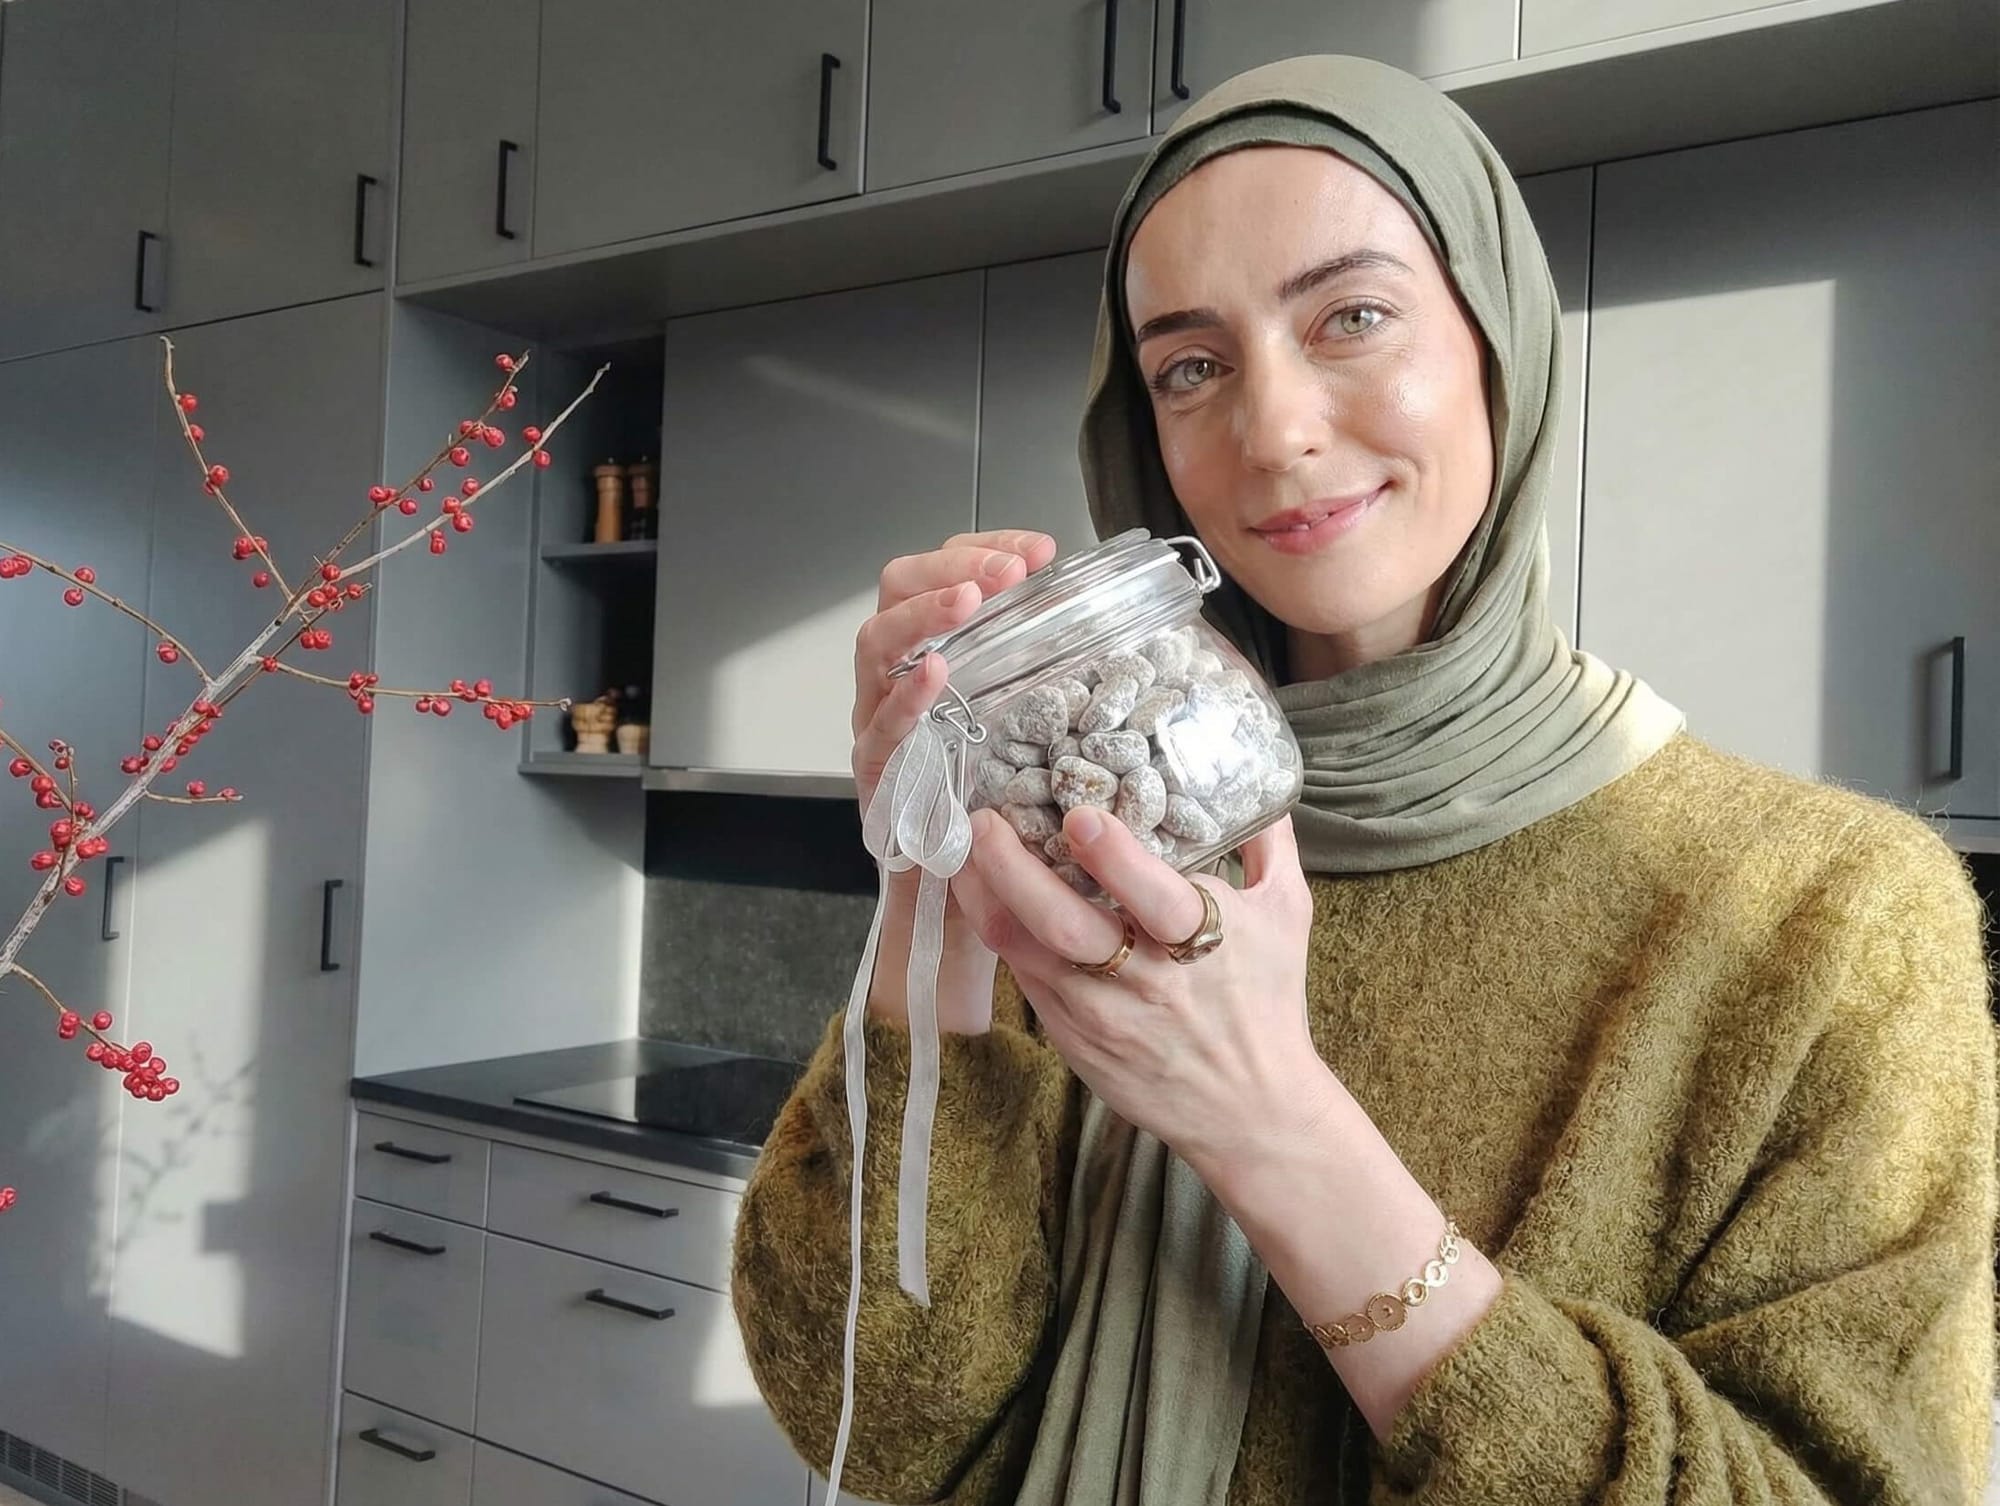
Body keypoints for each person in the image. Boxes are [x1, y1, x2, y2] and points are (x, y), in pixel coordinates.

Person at [730, 53, 1997, 1506]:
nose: (1272, 430)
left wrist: (1271, 1124)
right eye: (1190, 366)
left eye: (1355, 314)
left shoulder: (1830, 921)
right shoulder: (1091, 838)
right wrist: (929, 876)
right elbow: (877, 1423)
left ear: (1496, 345)